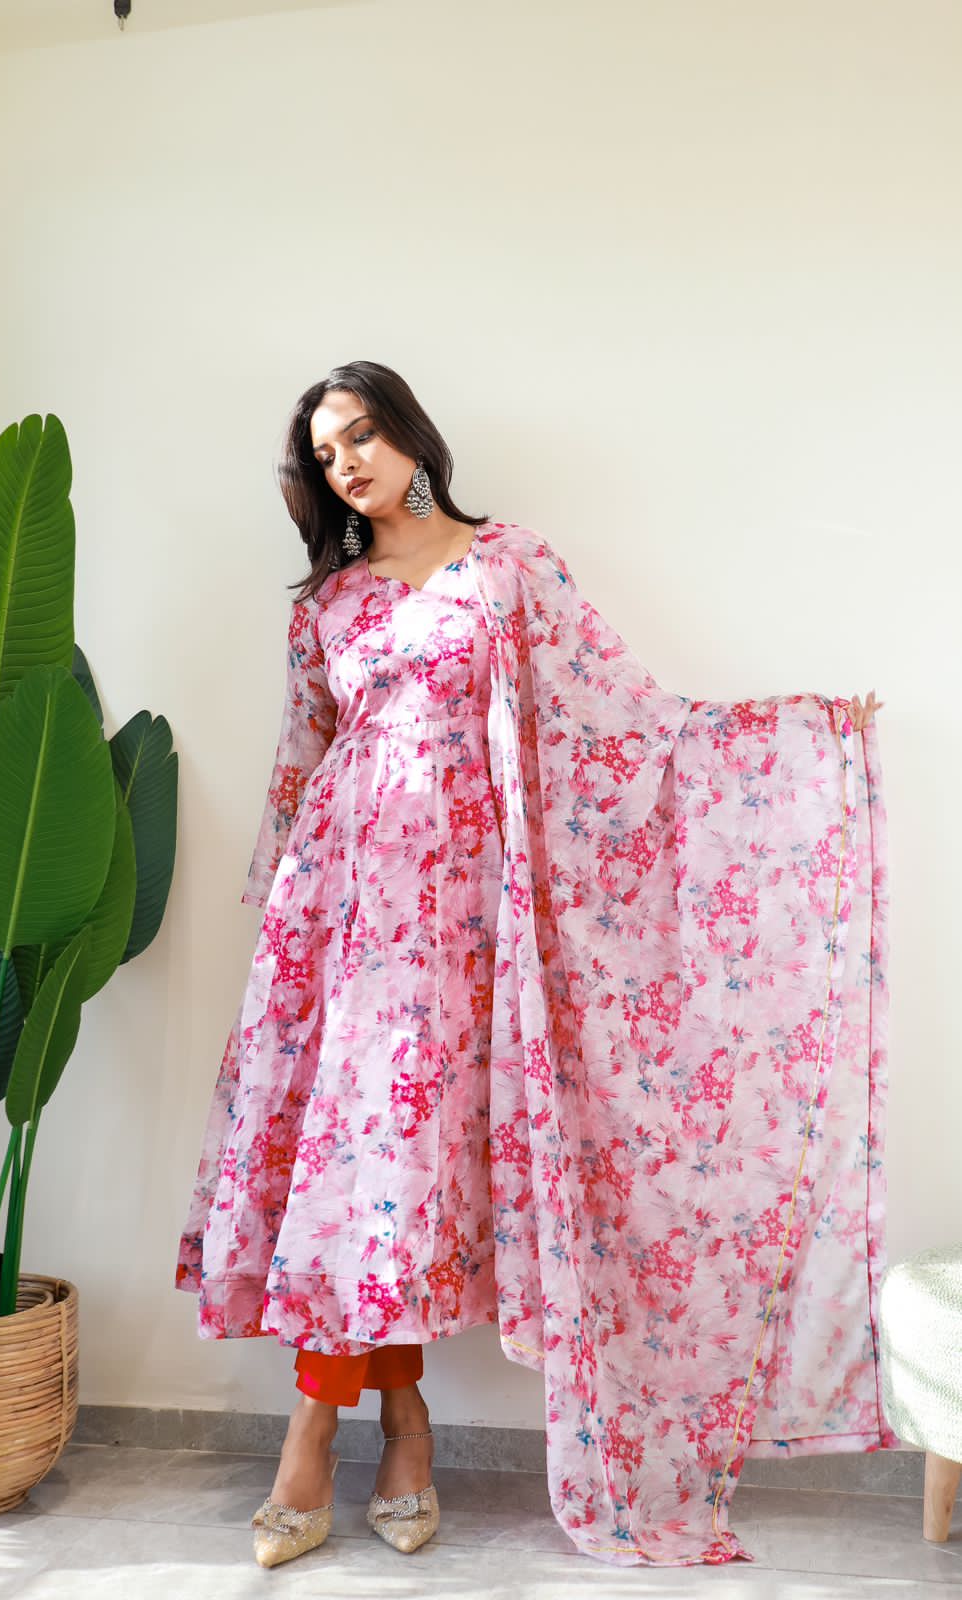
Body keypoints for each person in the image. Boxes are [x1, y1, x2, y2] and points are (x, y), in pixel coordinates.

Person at [176, 359, 886, 1570]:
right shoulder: (326, 605)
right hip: (341, 915)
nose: (347, 465)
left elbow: (621, 722)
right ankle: (380, 1426)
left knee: (393, 1177)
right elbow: (304, 760)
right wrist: (283, 937)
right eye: (324, 454)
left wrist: (793, 733)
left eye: (362, 436)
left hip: (464, 925)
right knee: (356, 1176)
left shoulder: (509, 567)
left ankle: (340, 1432)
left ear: (411, 436)